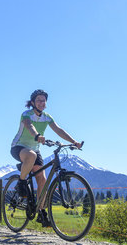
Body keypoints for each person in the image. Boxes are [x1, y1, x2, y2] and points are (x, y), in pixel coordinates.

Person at [10, 89, 82, 227]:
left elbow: (59, 130)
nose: (42, 103)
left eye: (44, 101)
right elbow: (29, 126)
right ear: (33, 103)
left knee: (42, 179)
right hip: (18, 147)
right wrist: (37, 136)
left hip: (35, 150)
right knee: (31, 155)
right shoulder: (26, 114)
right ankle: (21, 182)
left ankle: (41, 212)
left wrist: (74, 142)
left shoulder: (47, 117)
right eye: (39, 100)